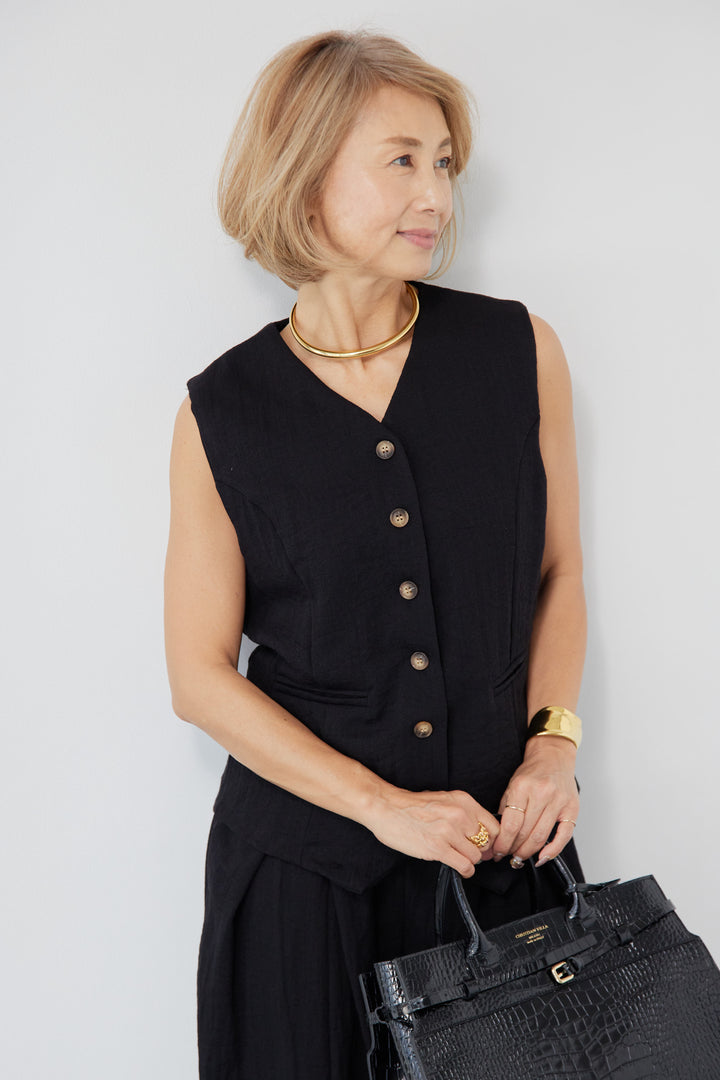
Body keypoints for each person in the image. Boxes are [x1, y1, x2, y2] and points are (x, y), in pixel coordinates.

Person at [164, 27, 587, 1080]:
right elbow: (198, 676)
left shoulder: (519, 350)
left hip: (498, 869)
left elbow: (558, 574)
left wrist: (553, 748)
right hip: (301, 883)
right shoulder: (221, 412)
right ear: (303, 172)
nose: (435, 194)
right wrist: (379, 807)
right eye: (401, 160)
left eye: (443, 162)